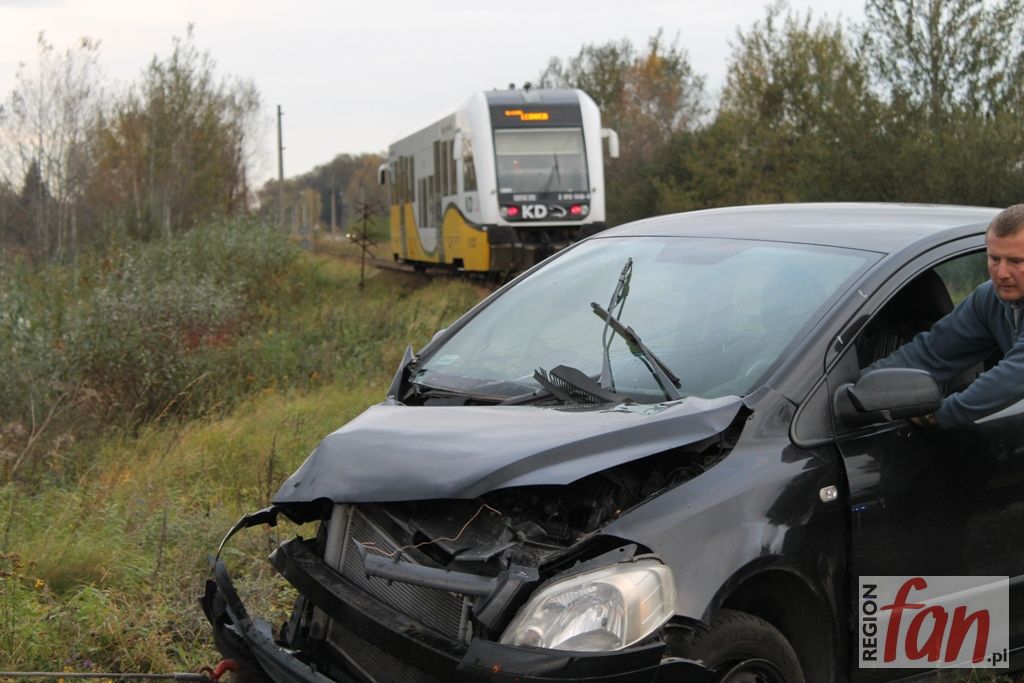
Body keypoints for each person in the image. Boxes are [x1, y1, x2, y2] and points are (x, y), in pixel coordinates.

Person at [868, 204, 1024, 428]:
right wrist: (857, 386)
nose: (1001, 273)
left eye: (1016, 261)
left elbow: (1014, 376)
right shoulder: (989, 298)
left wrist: (938, 415)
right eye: (994, 259)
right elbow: (931, 353)